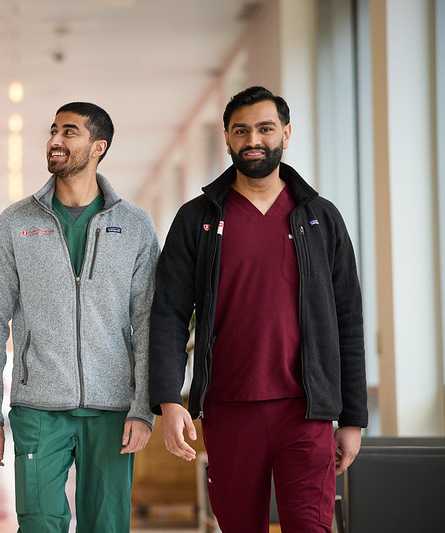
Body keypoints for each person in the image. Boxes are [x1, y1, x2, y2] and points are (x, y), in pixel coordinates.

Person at [148, 86, 367, 532]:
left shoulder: (321, 218)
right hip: (229, 407)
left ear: (285, 134)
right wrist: (170, 400)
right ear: (227, 139)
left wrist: (354, 417)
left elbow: (348, 319)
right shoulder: (198, 219)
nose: (254, 139)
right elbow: (168, 312)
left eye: (265, 128)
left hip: (308, 409)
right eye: (241, 130)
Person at [0, 102, 160, 532]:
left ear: (98, 147)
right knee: (38, 524)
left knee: (107, 526)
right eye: (53, 130)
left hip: (113, 410)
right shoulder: (16, 223)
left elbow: (148, 321)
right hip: (38, 407)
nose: (55, 141)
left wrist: (142, 409)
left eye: (69, 132)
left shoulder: (134, 226)